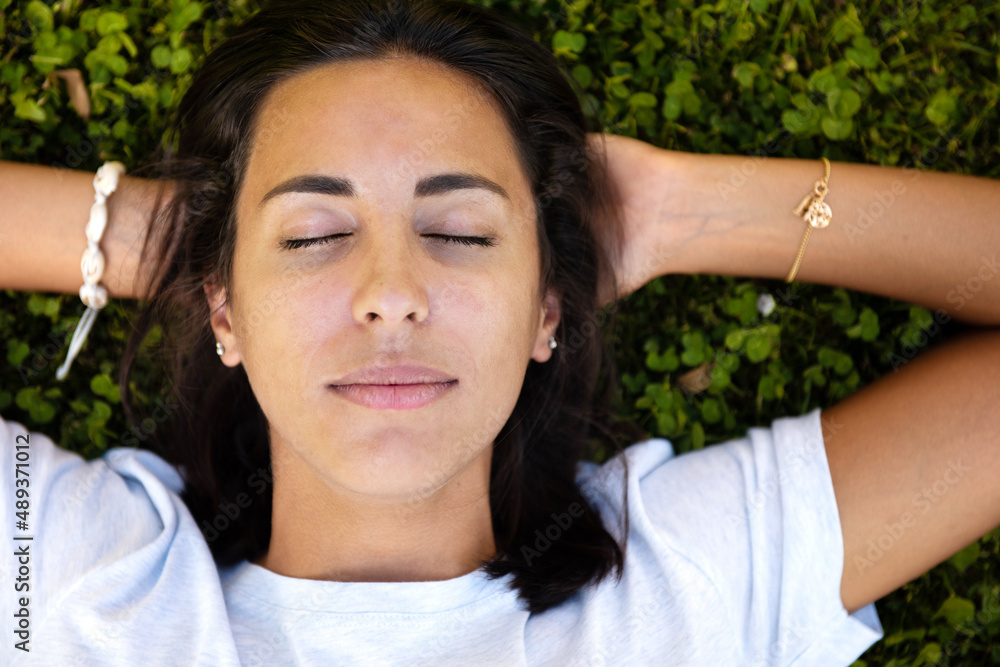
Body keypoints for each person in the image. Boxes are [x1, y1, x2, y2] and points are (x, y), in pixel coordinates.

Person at [1, 0, 997, 664]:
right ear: (222, 311)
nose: (390, 294)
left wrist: (680, 210)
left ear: (547, 308)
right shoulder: (69, 579)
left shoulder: (692, 584)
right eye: (314, 233)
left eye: (458, 230)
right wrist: (177, 240)